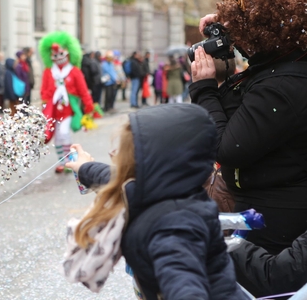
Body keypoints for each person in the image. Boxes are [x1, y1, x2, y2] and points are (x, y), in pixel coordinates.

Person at [65, 104, 249, 300]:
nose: (115, 154)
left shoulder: (174, 227)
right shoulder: (162, 190)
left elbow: (184, 286)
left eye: (126, 151)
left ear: (156, 164)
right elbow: (115, 179)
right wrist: (85, 167)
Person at [190, 1, 307, 296]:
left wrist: (204, 89)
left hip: (273, 218)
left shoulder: (281, 85)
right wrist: (232, 23)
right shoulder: (285, 63)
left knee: (257, 288)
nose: (237, 43)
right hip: (271, 205)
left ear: (264, 31)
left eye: (241, 32)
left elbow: (228, 148)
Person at [39, 31, 94, 174]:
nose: (58, 57)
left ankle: (70, 161)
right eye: (55, 55)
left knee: (64, 132)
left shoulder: (74, 71)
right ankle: (62, 162)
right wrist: (45, 105)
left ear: (69, 53)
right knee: (57, 138)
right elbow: (44, 90)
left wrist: (89, 106)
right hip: (54, 110)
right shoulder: (48, 71)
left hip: (69, 109)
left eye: (61, 54)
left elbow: (83, 90)